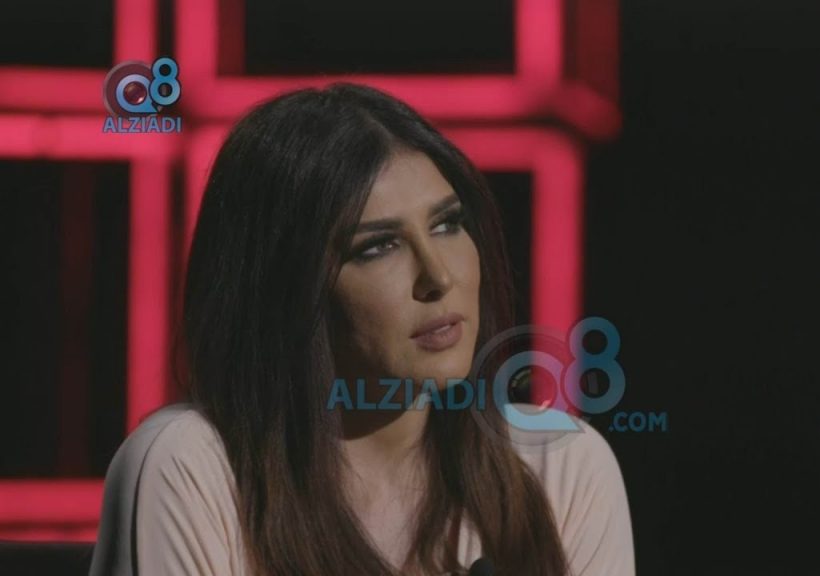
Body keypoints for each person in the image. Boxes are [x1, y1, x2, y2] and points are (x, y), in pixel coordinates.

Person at [88, 82, 635, 576]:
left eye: (447, 224)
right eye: (378, 247)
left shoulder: (560, 466)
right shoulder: (189, 466)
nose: (439, 276)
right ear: (287, 287)